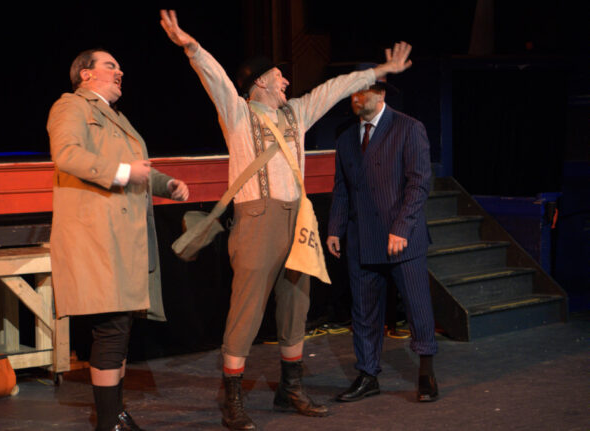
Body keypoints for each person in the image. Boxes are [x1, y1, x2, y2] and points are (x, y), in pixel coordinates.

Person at [160, 9, 413, 430]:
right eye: (279, 76)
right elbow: (215, 77)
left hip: (297, 220)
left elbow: (334, 88)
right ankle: (232, 397)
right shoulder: (238, 113)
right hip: (257, 220)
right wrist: (191, 46)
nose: (286, 83)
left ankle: (289, 389)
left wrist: (379, 70)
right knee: (247, 310)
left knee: (297, 305)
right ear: (260, 81)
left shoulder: (296, 112)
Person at [47, 48, 189, 431]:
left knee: (120, 328)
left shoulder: (117, 117)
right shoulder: (71, 107)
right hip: (98, 237)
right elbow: (67, 155)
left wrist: (166, 183)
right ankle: (107, 422)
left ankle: (116, 413)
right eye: (110, 65)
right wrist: (126, 172)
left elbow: (138, 169)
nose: (120, 71)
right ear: (85, 75)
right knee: (110, 329)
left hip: (123, 239)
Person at [326, 71, 438, 403]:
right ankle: (367, 375)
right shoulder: (346, 138)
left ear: (380, 94)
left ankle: (426, 372)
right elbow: (342, 187)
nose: (355, 99)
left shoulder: (408, 128)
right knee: (363, 311)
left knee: (417, 306)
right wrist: (335, 228)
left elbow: (419, 183)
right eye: (352, 93)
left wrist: (401, 228)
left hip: (402, 238)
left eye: (361, 92)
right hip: (362, 238)